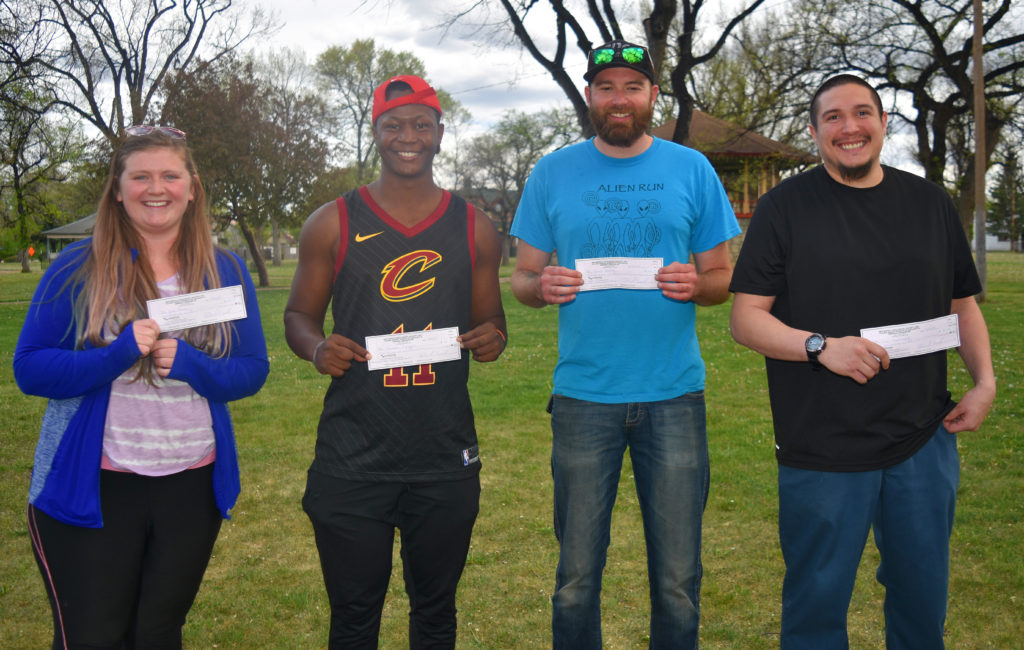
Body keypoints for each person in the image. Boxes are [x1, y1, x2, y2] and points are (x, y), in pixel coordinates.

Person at [729, 74, 996, 649]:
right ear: (815, 130)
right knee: (817, 605)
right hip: (822, 444)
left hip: (924, 439)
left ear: (882, 122)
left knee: (921, 598)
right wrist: (822, 347)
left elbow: (962, 305)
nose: (849, 127)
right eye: (833, 117)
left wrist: (984, 382)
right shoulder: (783, 208)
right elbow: (746, 319)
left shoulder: (929, 203)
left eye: (862, 113)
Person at [509, 41, 740, 649]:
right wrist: (543, 285)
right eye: (606, 86)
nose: (619, 99)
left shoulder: (692, 170)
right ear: (589, 96)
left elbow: (722, 279)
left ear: (652, 98)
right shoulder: (552, 171)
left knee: (678, 580)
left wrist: (699, 284)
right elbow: (522, 280)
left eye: (632, 87)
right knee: (577, 578)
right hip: (585, 397)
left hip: (674, 397)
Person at [13, 125, 269, 648]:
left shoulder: (224, 269)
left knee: (157, 634)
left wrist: (194, 365)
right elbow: (31, 368)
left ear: (192, 187)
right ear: (117, 186)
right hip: (95, 485)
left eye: (171, 175)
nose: (157, 188)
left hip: (190, 485)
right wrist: (116, 354)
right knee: (92, 636)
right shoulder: (76, 267)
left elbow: (252, 368)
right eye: (142, 176)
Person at [283, 74, 507, 649]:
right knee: (354, 617)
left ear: (439, 134)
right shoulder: (331, 221)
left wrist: (491, 339)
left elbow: (493, 323)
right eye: (394, 125)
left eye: (422, 125)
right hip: (352, 454)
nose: (408, 136)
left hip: (442, 450)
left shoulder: (474, 225)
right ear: (375, 133)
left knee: (436, 613)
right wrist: (316, 347)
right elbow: (298, 317)